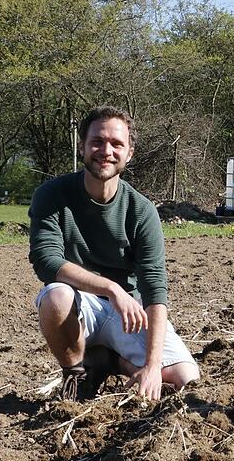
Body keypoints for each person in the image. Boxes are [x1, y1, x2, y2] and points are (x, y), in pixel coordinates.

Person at [28, 106, 200, 402]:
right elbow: (47, 261)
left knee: (185, 380)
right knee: (55, 297)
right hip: (80, 305)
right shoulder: (52, 195)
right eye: (97, 141)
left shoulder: (142, 211)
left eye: (117, 144)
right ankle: (75, 373)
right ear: (82, 146)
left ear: (129, 153)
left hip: (130, 311)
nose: (105, 151)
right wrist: (111, 289)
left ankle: (109, 360)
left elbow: (155, 288)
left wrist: (153, 365)